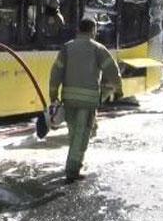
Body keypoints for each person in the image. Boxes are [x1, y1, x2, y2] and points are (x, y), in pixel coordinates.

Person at [49, 17, 122, 183]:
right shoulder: (98, 49)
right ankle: (72, 169)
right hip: (87, 102)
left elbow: (55, 73)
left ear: (78, 30)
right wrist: (118, 89)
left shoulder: (67, 48)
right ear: (93, 30)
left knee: (74, 133)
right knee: (81, 136)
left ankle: (72, 165)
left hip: (69, 100)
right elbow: (112, 71)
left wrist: (53, 95)